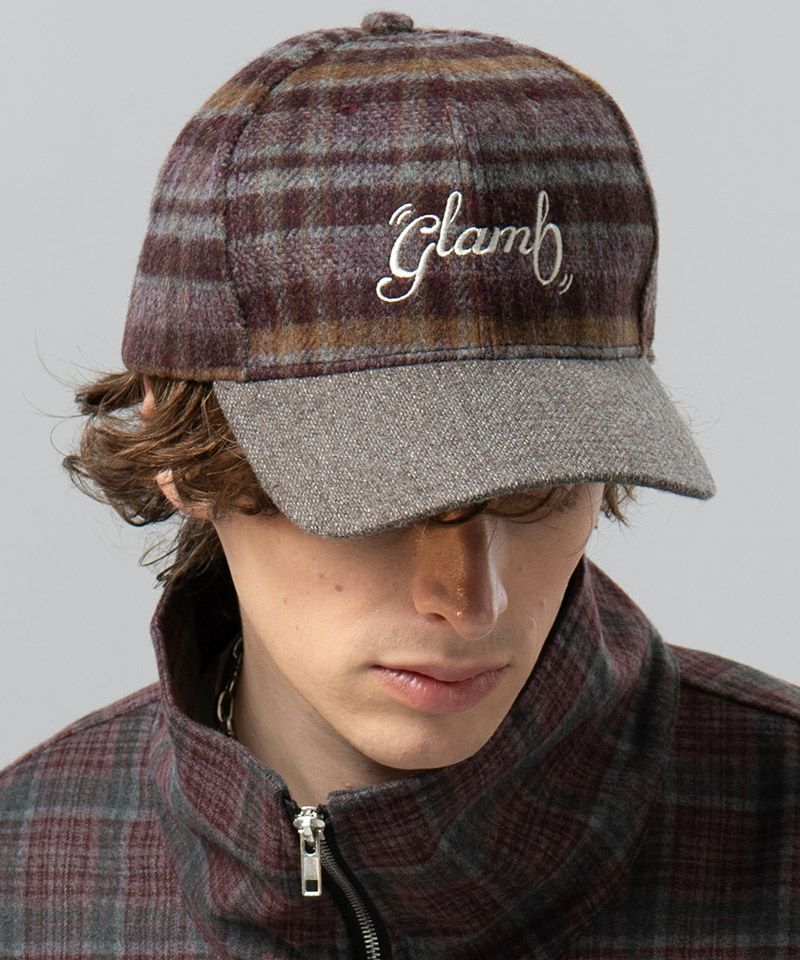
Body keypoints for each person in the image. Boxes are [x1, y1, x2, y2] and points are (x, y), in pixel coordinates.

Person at [1, 10, 798, 958]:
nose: (468, 597)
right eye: (373, 495)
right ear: (181, 453)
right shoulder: (23, 880)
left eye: (533, 490)